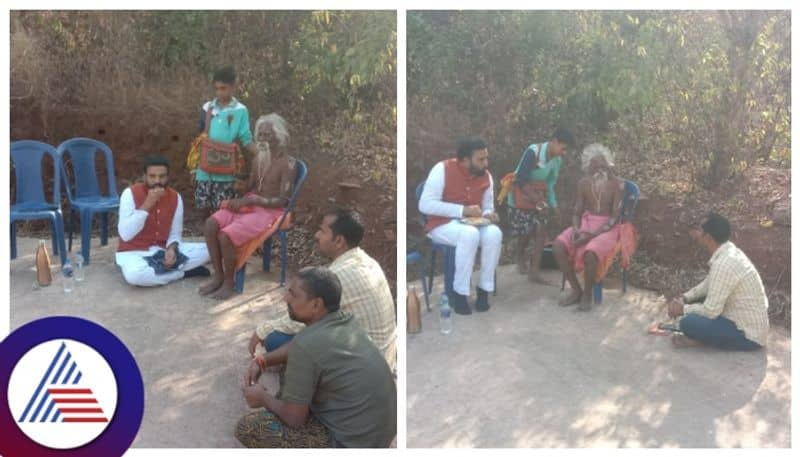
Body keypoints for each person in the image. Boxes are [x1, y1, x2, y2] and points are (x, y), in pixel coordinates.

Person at [236, 267, 397, 448]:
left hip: (352, 444)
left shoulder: (307, 345)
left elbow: (295, 419)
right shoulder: (346, 320)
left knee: (249, 427)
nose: (285, 299)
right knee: (290, 371)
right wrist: (262, 360)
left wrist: (263, 397)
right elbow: (298, 345)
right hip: (379, 434)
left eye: (293, 294)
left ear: (316, 305)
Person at [247, 207, 397, 372]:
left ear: (339, 241)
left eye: (322, 231)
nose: (316, 235)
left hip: (364, 367)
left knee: (275, 339)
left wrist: (263, 330)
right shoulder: (366, 261)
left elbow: (303, 319)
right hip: (384, 355)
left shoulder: (339, 274)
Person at [200, 113, 297, 300]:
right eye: (260, 134)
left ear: (280, 137)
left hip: (271, 211)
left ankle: (230, 283)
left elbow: (283, 201)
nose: (263, 139)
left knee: (225, 236)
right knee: (211, 224)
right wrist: (234, 184)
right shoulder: (258, 158)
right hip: (251, 203)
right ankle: (218, 277)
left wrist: (252, 201)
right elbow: (250, 187)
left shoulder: (289, 164)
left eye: (268, 135)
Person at [418, 137, 502, 315]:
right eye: (481, 159)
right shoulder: (442, 169)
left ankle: (484, 290)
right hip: (441, 225)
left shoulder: (486, 176)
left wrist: (489, 214)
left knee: (494, 234)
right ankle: (460, 293)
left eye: (486, 158)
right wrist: (462, 210)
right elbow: (425, 204)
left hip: (473, 224)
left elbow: (487, 207)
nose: (486, 163)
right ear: (464, 160)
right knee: (469, 235)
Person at [664, 212, 769, 350]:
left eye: (700, 229)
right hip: (744, 323)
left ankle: (702, 339)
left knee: (687, 323)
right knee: (696, 304)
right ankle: (704, 336)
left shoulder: (724, 264)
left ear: (708, 237)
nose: (697, 232)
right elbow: (708, 284)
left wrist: (682, 309)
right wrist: (684, 298)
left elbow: (710, 311)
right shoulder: (728, 251)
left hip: (747, 335)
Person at [116, 156, 210, 286]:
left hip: (162, 250)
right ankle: (182, 273)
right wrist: (147, 204)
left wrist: (171, 249)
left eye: (162, 176)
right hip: (134, 252)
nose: (157, 181)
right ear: (144, 177)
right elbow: (126, 235)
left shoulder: (176, 197)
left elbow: (175, 233)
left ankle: (166, 269)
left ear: (168, 177)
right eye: (152, 176)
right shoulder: (129, 194)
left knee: (211, 250)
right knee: (135, 276)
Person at [553, 143, 624, 311]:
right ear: (588, 166)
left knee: (591, 253)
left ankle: (587, 294)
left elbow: (615, 217)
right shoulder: (583, 183)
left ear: (608, 164)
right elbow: (577, 212)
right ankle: (576, 290)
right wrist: (577, 229)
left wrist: (590, 235)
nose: (600, 168)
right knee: (557, 246)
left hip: (608, 228)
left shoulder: (617, 184)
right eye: (595, 164)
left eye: (602, 163)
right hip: (586, 223)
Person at [506, 127, 575, 283]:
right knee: (527, 230)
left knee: (540, 231)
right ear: (554, 141)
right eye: (563, 148)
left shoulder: (557, 161)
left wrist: (554, 206)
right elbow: (521, 179)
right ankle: (519, 255)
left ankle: (534, 271)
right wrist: (538, 200)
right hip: (519, 199)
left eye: (566, 150)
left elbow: (550, 185)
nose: (564, 153)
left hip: (538, 200)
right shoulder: (533, 151)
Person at [193, 65, 258, 217]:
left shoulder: (241, 110)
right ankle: (206, 240)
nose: (220, 93)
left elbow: (246, 138)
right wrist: (194, 169)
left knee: (223, 214)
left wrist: (262, 155)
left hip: (226, 172)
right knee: (203, 211)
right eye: (217, 89)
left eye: (224, 88)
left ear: (233, 86)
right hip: (204, 171)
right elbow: (200, 139)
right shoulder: (207, 108)